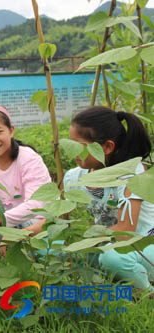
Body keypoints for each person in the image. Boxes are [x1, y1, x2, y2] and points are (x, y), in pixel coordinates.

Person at [32, 106, 154, 290]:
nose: (71, 152)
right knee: (45, 250)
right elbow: (57, 218)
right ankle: (110, 276)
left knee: (112, 258)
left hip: (140, 245)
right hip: (103, 242)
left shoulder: (130, 173)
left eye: (78, 146)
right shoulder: (75, 176)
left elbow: (124, 231)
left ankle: (145, 290)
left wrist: (82, 239)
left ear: (107, 147)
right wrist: (24, 234)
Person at [0, 104, 51, 232]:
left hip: (37, 220)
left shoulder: (28, 158)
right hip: (7, 219)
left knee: (9, 230)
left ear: (11, 131)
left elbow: (36, 205)